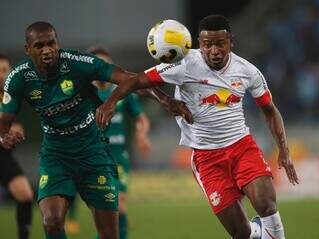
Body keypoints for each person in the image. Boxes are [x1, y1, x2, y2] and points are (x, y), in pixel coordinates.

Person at [96, 15, 299, 239]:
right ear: (199, 44)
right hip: (206, 158)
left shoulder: (248, 71)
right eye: (207, 44)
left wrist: (285, 151)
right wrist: (116, 103)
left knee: (266, 205)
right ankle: (257, 232)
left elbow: (270, 111)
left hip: (242, 147)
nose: (213, 50)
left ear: (231, 42)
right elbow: (134, 81)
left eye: (220, 43)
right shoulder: (183, 65)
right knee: (241, 233)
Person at [0, 22, 191, 239]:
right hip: (56, 155)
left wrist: (164, 99)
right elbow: (5, 120)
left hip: (94, 154)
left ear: (58, 43)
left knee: (109, 233)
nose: (47, 50)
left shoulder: (77, 63)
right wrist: (4, 135)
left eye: (51, 43)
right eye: (39, 45)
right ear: (28, 49)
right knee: (51, 221)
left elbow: (130, 78)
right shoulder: (19, 77)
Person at [66, 47, 151, 239]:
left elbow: (141, 118)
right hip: (93, 157)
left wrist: (142, 134)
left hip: (118, 157)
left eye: (104, 64)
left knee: (118, 205)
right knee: (107, 211)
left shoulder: (122, 92)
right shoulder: (82, 93)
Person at [0, 54, 34, 239]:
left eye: (7, 70)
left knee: (25, 195)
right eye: (1, 70)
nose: (5, 74)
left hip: (4, 157)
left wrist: (14, 132)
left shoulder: (9, 96)